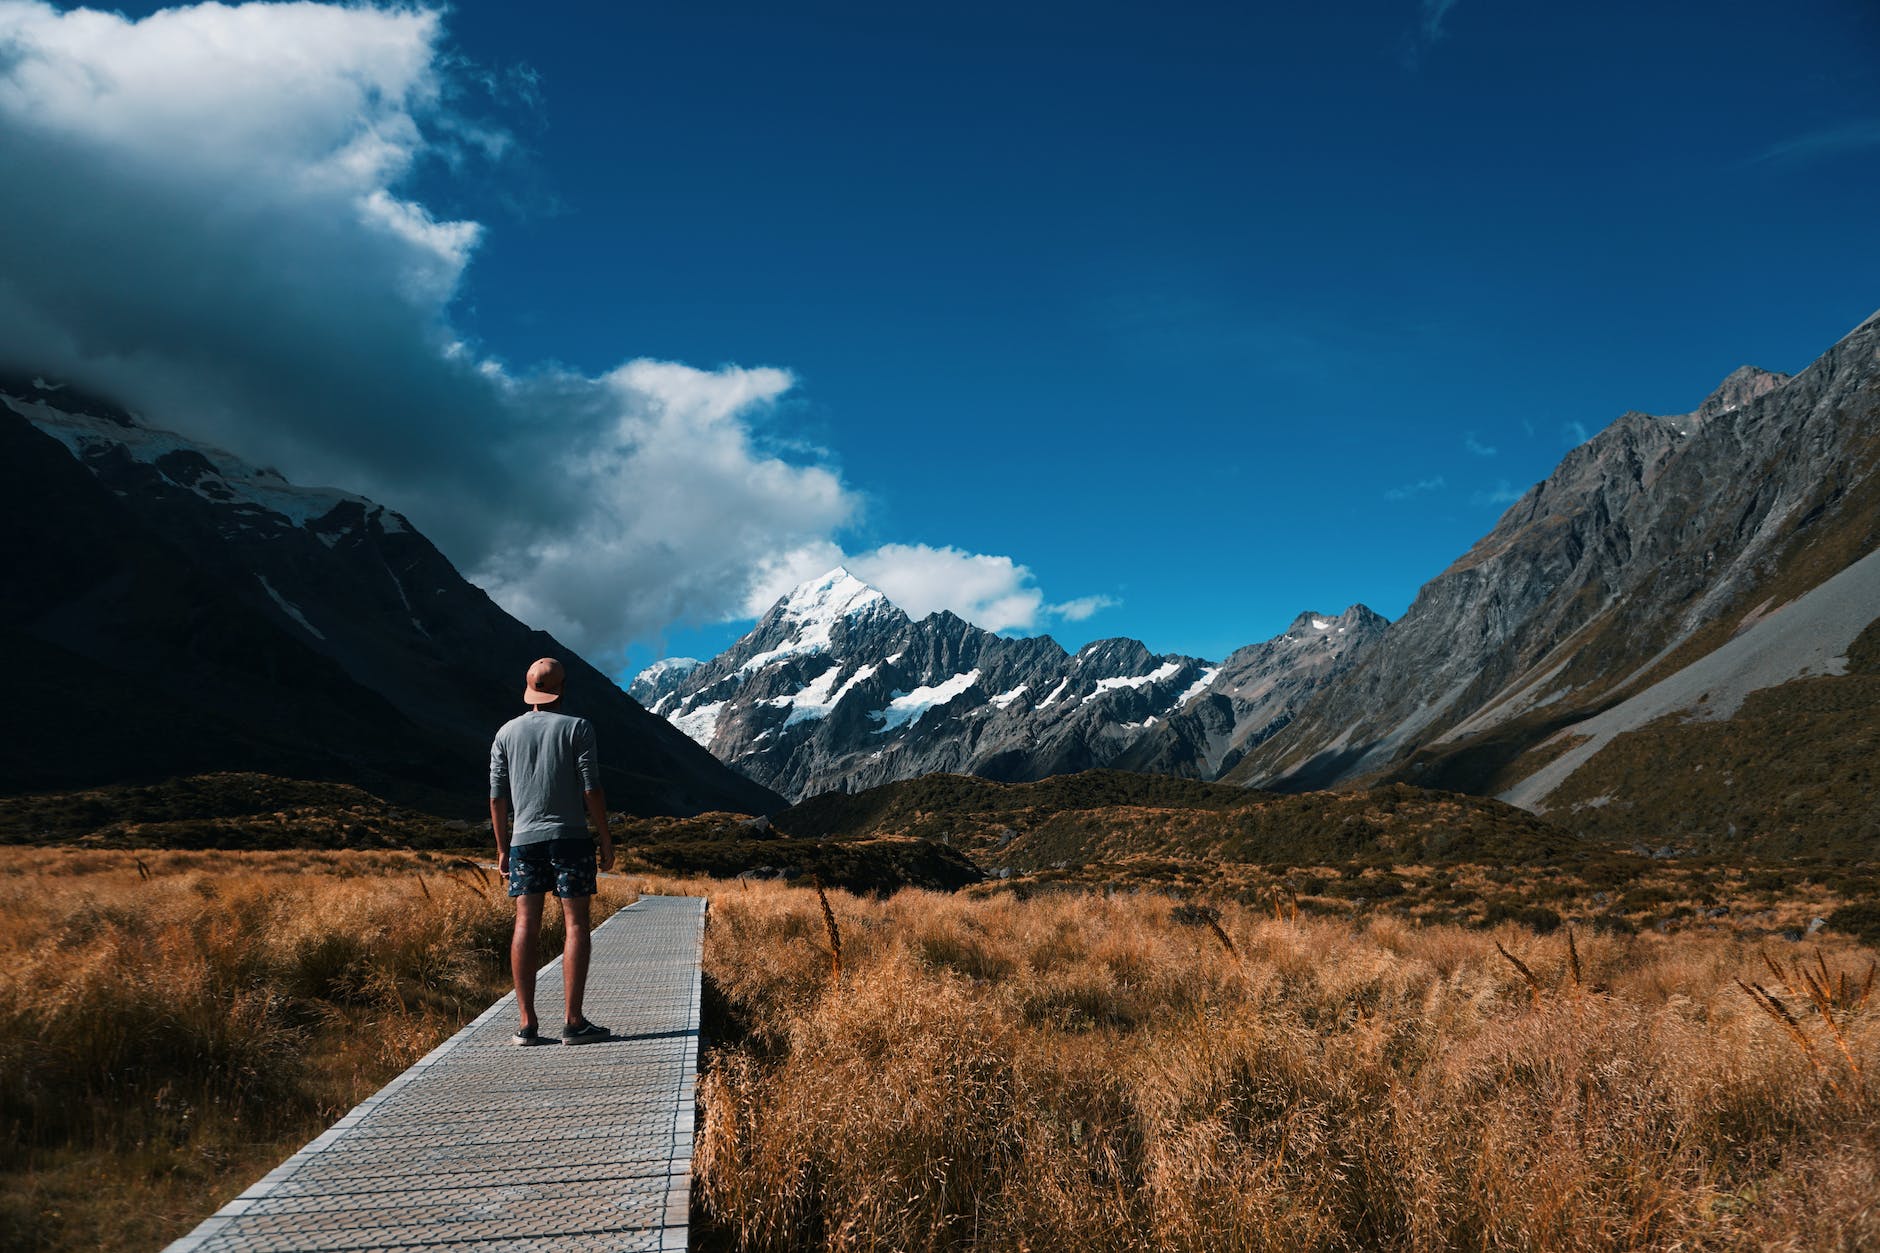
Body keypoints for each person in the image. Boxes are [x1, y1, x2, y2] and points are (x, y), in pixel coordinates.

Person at [489, 657, 617, 1045]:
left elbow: (496, 797)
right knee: (575, 924)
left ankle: (527, 1024)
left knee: (525, 923)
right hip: (571, 839)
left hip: (523, 841)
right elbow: (590, 789)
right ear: (562, 688)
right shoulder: (578, 728)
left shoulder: (505, 733)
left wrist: (500, 849)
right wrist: (606, 837)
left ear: (529, 689)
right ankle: (573, 1021)